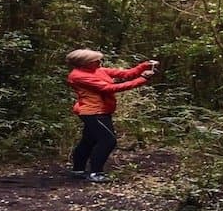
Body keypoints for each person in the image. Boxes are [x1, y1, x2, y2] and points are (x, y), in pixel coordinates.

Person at [65, 49, 157, 183]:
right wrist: (143, 79)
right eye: (95, 60)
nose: (99, 62)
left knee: (89, 141)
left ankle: (78, 170)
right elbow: (109, 88)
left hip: (99, 111)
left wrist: (144, 66)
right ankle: (96, 173)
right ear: (84, 63)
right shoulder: (78, 76)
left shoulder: (97, 70)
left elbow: (125, 74)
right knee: (108, 141)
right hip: (94, 112)